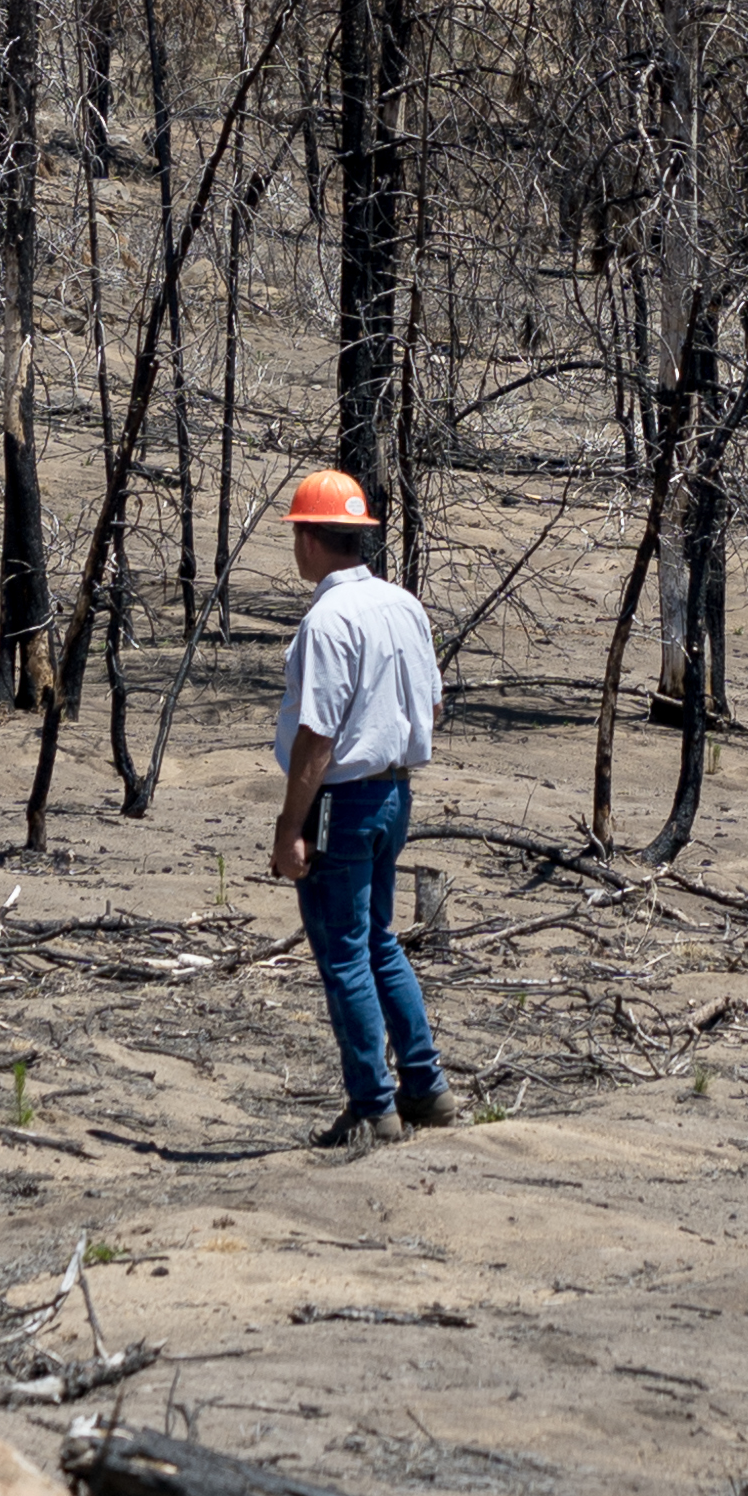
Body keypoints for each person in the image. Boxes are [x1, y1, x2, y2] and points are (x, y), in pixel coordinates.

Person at [267, 465, 453, 1151]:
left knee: (344, 952)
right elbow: (431, 704)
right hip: (395, 792)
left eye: (296, 536)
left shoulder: (328, 620)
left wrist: (291, 826)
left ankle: (374, 1106)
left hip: (343, 801)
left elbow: (316, 734)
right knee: (377, 942)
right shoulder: (402, 605)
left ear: (313, 542)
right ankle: (427, 1088)